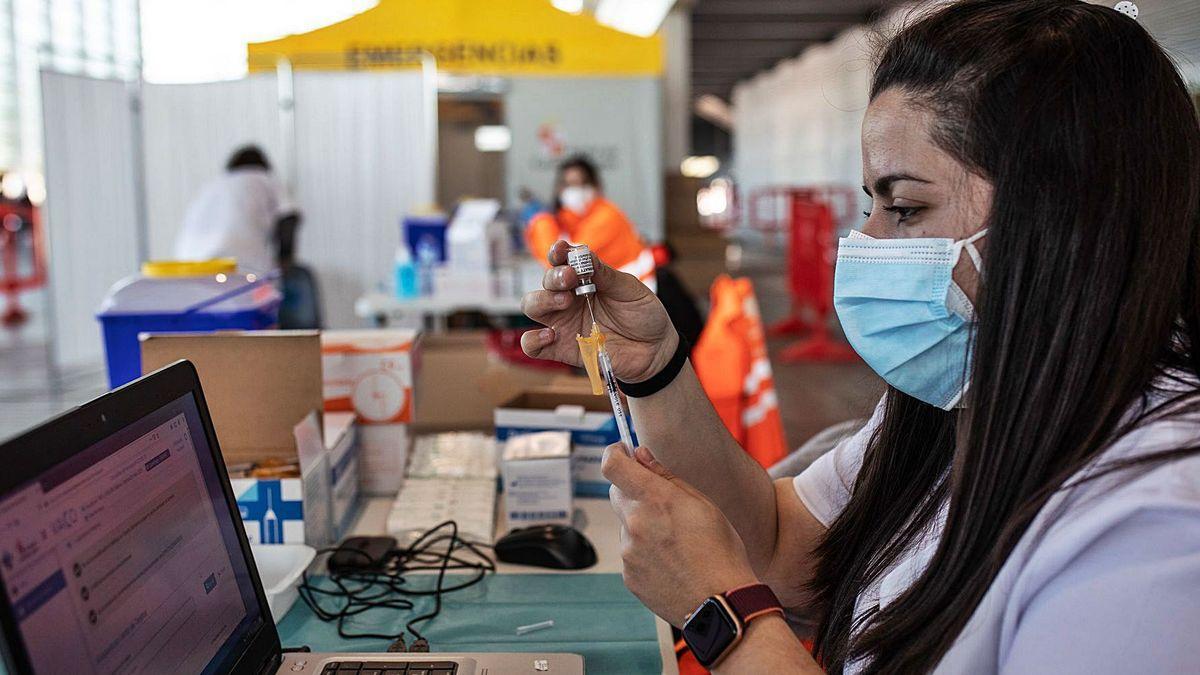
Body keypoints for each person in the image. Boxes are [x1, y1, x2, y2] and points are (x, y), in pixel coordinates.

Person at [520, 1, 1200, 672]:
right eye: (870, 202)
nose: (866, 240)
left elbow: (752, 581)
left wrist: (720, 612)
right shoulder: (960, 401)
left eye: (904, 207)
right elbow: (784, 545)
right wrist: (657, 366)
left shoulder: (1157, 528)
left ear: (1061, 219)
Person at [525, 155, 657, 290]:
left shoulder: (607, 215)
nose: (574, 191)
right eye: (568, 184)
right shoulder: (568, 220)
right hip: (608, 292)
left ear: (595, 187)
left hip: (634, 291)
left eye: (580, 183)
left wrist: (542, 225)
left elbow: (570, 259)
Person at [174, 145, 300, 274]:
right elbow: (288, 217)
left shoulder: (212, 186)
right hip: (237, 261)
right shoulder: (266, 179)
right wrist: (285, 260)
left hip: (187, 262)